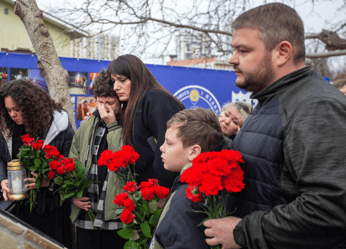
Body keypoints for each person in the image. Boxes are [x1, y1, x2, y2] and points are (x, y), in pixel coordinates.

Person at [203, 3, 346, 249]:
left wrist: (242, 232)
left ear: (282, 52)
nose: (232, 58)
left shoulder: (315, 106)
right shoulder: (273, 101)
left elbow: (331, 209)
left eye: (243, 50)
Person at [0, 79, 74, 247]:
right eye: (8, 110)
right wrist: (1, 181)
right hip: (17, 208)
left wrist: (48, 182)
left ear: (32, 107)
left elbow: (72, 167)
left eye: (17, 109)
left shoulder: (59, 126)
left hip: (51, 209)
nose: (13, 115)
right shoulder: (7, 126)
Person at [150, 108, 225, 249]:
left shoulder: (188, 196)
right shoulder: (196, 187)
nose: (161, 148)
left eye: (169, 143)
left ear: (194, 152)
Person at [69, 69, 126, 249]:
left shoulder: (129, 124)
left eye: (110, 102)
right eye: (100, 102)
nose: (104, 109)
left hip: (116, 216)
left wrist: (112, 125)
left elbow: (123, 161)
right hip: (87, 212)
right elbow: (72, 162)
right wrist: (73, 196)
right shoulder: (87, 125)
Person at [108, 54, 185, 188]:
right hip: (145, 189)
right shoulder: (132, 104)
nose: (116, 87)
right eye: (113, 81)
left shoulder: (156, 100)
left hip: (161, 190)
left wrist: (161, 189)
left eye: (122, 80)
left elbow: (170, 148)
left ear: (137, 78)